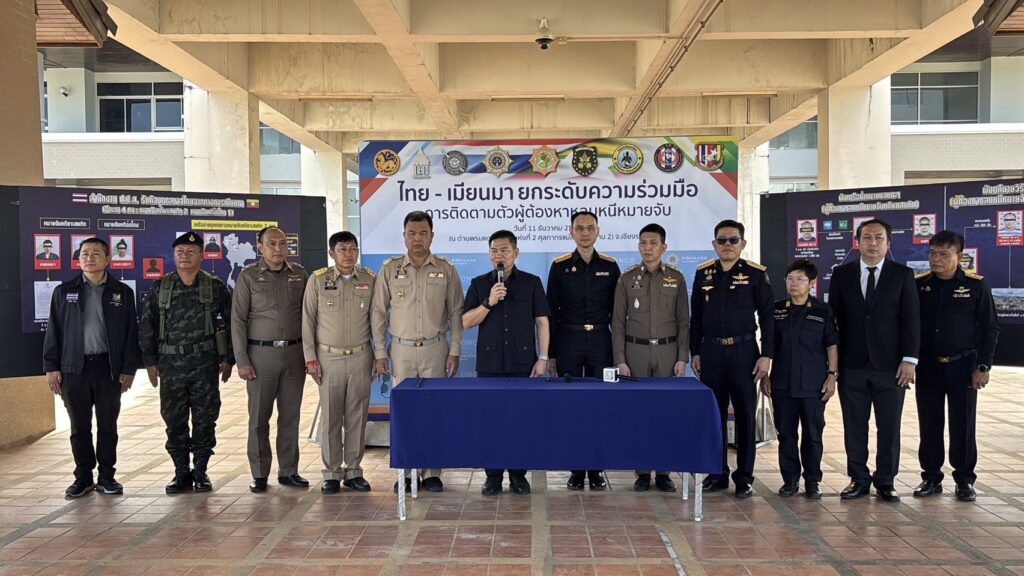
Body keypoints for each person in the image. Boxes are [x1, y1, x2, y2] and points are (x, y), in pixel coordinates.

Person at [371, 211, 464, 493]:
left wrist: (455, 350)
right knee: (404, 415)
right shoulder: (390, 269)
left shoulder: (446, 269)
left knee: (435, 412)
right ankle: (407, 471)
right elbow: (378, 312)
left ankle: (432, 472)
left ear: (432, 236)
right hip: (401, 351)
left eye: (423, 233)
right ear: (404, 237)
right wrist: (380, 352)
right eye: (411, 234)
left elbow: (456, 313)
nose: (417, 239)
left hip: (436, 349)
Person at [828, 218, 920, 502]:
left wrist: (909, 359)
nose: (873, 243)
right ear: (857, 242)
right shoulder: (842, 274)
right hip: (852, 364)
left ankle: (886, 481)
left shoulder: (902, 275)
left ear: (888, 243)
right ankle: (858, 479)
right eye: (867, 237)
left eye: (879, 238)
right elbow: (833, 320)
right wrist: (833, 366)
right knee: (854, 426)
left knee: (889, 427)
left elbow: (912, 320)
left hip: (891, 367)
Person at [43, 237, 140, 498]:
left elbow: (131, 334)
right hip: (74, 369)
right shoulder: (64, 291)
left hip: (108, 368)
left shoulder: (122, 292)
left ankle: (107, 476)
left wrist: (128, 369)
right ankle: (83, 477)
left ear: (108, 259)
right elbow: (54, 331)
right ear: (78, 259)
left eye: (96, 253)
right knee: (79, 427)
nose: (89, 258)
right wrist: (51, 366)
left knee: (108, 425)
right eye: (85, 253)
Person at [139, 232, 234, 494]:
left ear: (202, 255)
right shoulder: (161, 287)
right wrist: (150, 362)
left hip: (205, 365)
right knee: (174, 420)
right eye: (180, 252)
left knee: (205, 419)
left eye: (191, 252)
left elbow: (232, 323)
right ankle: (181, 472)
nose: (185, 256)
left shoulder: (215, 287)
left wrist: (229, 358)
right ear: (173, 255)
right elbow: (147, 326)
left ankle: (201, 472)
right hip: (171, 366)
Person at [913, 231, 999, 502]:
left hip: (964, 366)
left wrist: (983, 366)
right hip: (928, 366)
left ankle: (964, 480)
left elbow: (990, 328)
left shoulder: (976, 286)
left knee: (963, 425)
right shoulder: (919, 285)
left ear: (959, 256)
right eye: (932, 253)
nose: (936, 259)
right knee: (929, 424)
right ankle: (931, 477)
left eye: (943, 254)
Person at [462, 230, 550, 496]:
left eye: (504, 250)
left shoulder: (532, 282)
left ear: (516, 252)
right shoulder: (479, 284)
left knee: (520, 421)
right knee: (490, 422)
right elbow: (466, 322)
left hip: (523, 364)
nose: (499, 255)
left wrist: (543, 358)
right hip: (489, 365)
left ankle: (518, 475)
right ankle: (492, 475)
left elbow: (542, 322)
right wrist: (489, 302)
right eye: (494, 251)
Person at [689, 219, 773, 498]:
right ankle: (717, 474)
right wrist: (695, 352)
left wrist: (767, 355)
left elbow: (768, 318)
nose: (727, 245)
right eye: (722, 240)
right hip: (711, 353)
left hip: (744, 353)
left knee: (745, 416)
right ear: (714, 244)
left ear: (742, 243)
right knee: (714, 416)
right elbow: (696, 317)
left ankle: (744, 477)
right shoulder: (703, 273)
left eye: (733, 240)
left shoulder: (756, 273)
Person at [546, 210, 621, 491]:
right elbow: (550, 313)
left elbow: (618, 313)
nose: (585, 233)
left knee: (600, 405)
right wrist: (552, 354)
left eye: (590, 228)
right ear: (571, 232)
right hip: (569, 340)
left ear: (598, 232)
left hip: (601, 340)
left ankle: (596, 469)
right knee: (572, 406)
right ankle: (577, 470)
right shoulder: (559, 266)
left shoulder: (610, 267)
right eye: (580, 228)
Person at [611, 223, 688, 493]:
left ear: (663, 247)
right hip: (636, 353)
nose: (648, 247)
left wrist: (682, 357)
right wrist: (620, 359)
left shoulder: (676, 279)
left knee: (666, 413)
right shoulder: (626, 278)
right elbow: (618, 323)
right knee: (639, 413)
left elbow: (684, 322)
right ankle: (642, 472)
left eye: (653, 243)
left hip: (667, 353)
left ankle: (664, 472)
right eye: (643, 242)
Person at [232, 226, 309, 493]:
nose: (278, 248)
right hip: (260, 356)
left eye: (282, 243)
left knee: (290, 417)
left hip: (294, 354)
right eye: (272, 244)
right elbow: (238, 320)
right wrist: (242, 360)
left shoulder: (299, 274)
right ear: (260, 247)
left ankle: (289, 471)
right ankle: (259, 473)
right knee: (258, 419)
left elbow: (310, 315)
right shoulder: (249, 276)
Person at [302, 232, 376, 494]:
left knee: (357, 416)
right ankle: (332, 472)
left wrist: (379, 355)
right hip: (328, 358)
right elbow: (308, 320)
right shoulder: (318, 280)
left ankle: (354, 471)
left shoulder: (369, 279)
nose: (348, 254)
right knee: (331, 417)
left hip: (360, 356)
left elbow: (377, 320)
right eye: (342, 249)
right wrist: (310, 358)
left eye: (352, 249)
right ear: (332, 253)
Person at [761, 259, 838, 500]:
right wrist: (766, 376)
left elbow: (832, 345)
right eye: (790, 279)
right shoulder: (776, 310)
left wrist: (832, 376)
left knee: (813, 434)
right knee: (786, 434)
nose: (794, 284)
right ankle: (790, 479)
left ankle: (813, 480)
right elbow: (768, 345)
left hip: (813, 384)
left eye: (800, 279)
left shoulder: (822, 310)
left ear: (811, 283)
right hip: (782, 383)